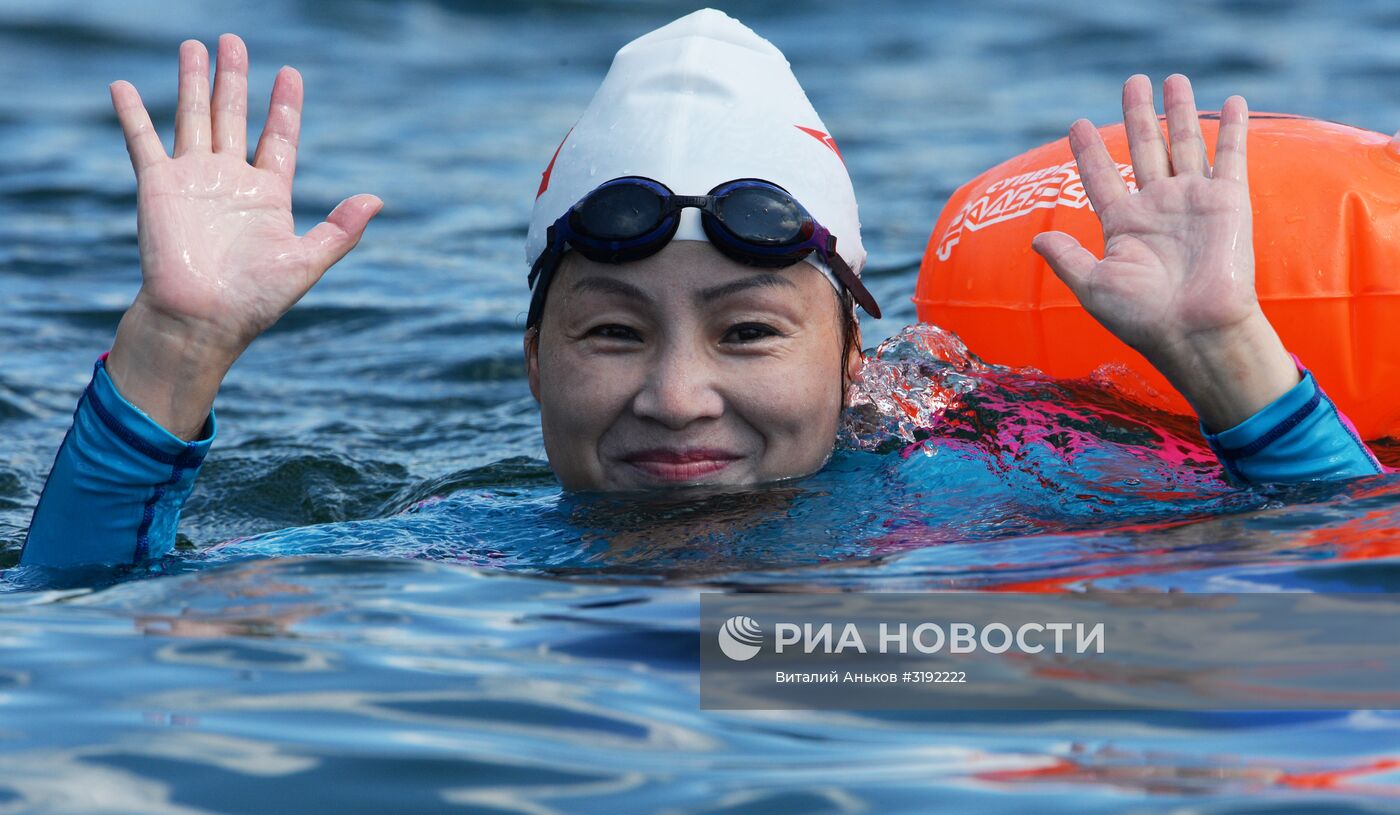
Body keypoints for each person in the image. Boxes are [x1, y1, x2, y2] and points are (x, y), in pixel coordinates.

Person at [17, 9, 1382, 571]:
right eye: (611, 332)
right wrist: (176, 343)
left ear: (860, 359)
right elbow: (89, 599)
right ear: (535, 361)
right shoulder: (469, 545)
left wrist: (1229, 359)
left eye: (748, 331)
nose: (678, 396)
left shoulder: (1003, 479)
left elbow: (1338, 554)